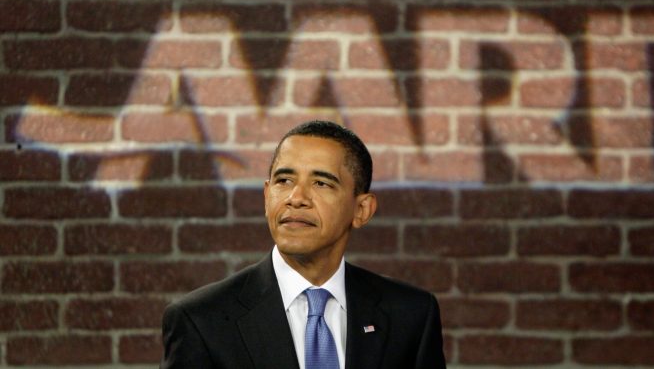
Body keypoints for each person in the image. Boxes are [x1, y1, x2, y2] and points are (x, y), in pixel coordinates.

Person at [161, 120, 446, 368]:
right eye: (283, 180)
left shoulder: (412, 316)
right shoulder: (200, 321)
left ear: (362, 210)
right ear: (266, 195)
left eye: (321, 183)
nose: (296, 197)